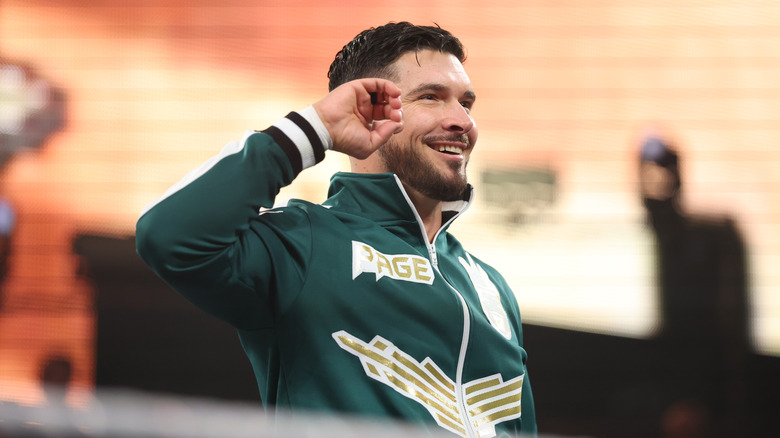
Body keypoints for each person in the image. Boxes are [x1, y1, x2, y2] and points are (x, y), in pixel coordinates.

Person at [136, 22, 536, 437]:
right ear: (371, 110)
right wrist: (315, 128)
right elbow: (168, 235)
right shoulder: (304, 242)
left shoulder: (490, 285)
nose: (461, 121)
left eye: (466, 103)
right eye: (431, 97)